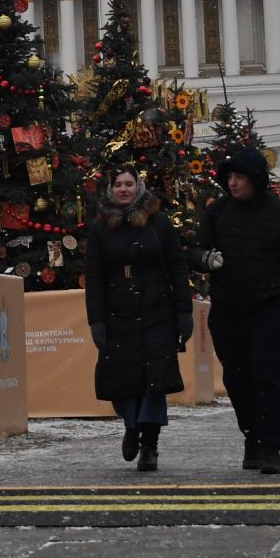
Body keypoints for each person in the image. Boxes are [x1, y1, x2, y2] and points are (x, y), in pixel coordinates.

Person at [192, 143, 280, 476]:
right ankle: (251, 434)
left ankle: (271, 446)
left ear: (256, 179)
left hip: (271, 308)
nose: (233, 183)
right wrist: (205, 258)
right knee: (237, 378)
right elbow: (194, 248)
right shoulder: (218, 212)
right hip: (228, 310)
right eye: (229, 177)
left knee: (268, 377)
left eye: (240, 177)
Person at [86, 168, 193, 473]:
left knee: (155, 380)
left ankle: (150, 444)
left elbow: (177, 267)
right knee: (124, 380)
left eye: (128, 184)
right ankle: (132, 427)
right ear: (111, 190)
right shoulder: (100, 226)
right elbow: (93, 276)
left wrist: (184, 311)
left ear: (138, 187)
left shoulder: (159, 223)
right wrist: (96, 319)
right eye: (118, 184)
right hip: (117, 312)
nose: (123, 189)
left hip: (157, 309)